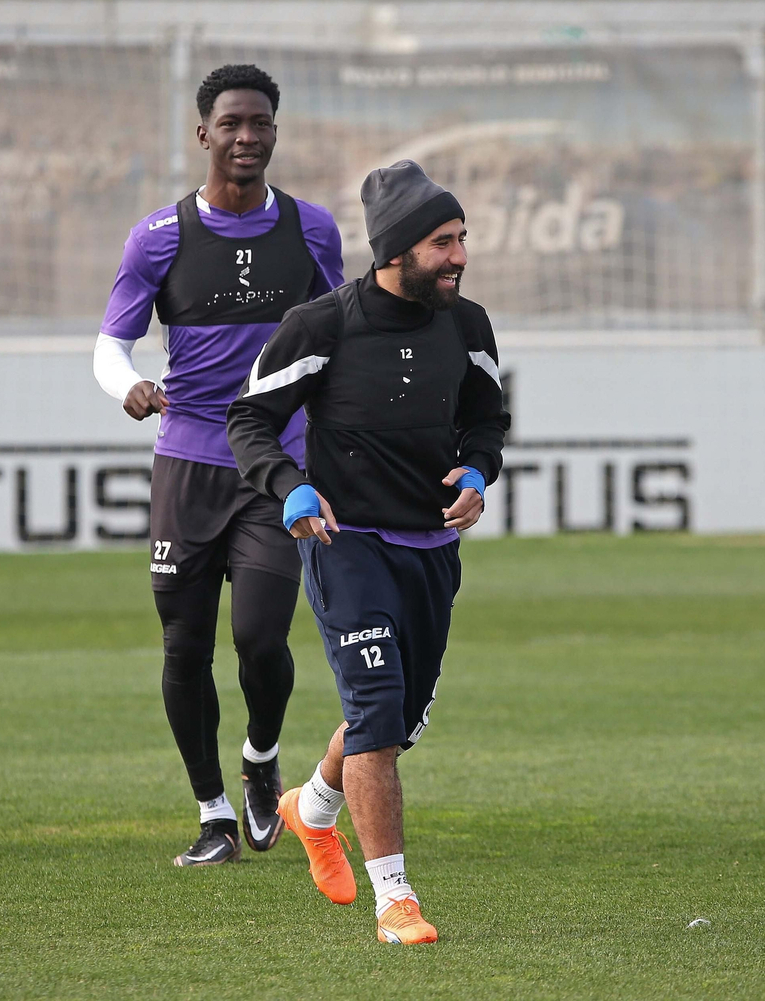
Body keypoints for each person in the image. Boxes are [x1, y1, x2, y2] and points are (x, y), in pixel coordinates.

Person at [228, 161, 509, 944]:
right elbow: (249, 418)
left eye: (461, 239)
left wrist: (479, 471)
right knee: (379, 722)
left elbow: (489, 419)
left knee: (396, 722)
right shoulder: (322, 324)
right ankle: (397, 901)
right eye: (441, 242)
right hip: (345, 545)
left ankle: (310, 809)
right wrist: (290, 486)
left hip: (432, 553)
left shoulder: (468, 325)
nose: (458, 256)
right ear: (393, 250)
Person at [93, 65, 344, 867]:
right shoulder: (158, 238)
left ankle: (262, 761)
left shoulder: (313, 231)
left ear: (275, 132)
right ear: (203, 134)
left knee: (260, 638)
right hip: (188, 464)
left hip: (279, 466)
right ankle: (212, 816)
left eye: (260, 123)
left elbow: (342, 337)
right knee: (183, 645)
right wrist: (126, 384)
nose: (246, 137)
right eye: (231, 123)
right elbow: (111, 341)